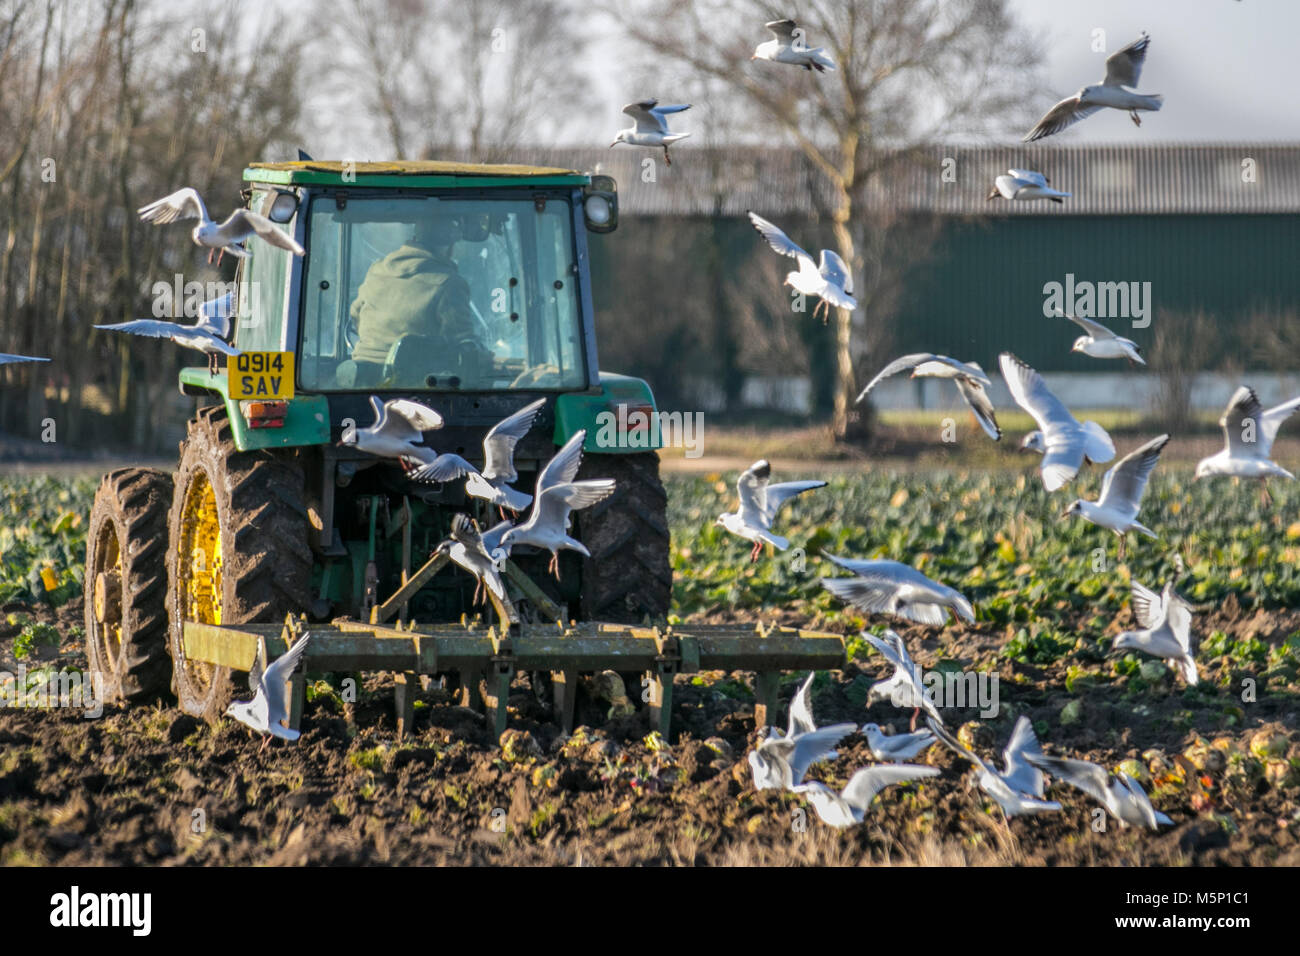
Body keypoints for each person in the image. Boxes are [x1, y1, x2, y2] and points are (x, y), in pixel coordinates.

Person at [348, 216, 488, 380]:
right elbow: (462, 343)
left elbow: (356, 316)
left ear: (415, 237)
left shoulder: (376, 270)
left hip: (359, 379)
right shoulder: (449, 283)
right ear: (450, 245)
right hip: (412, 385)